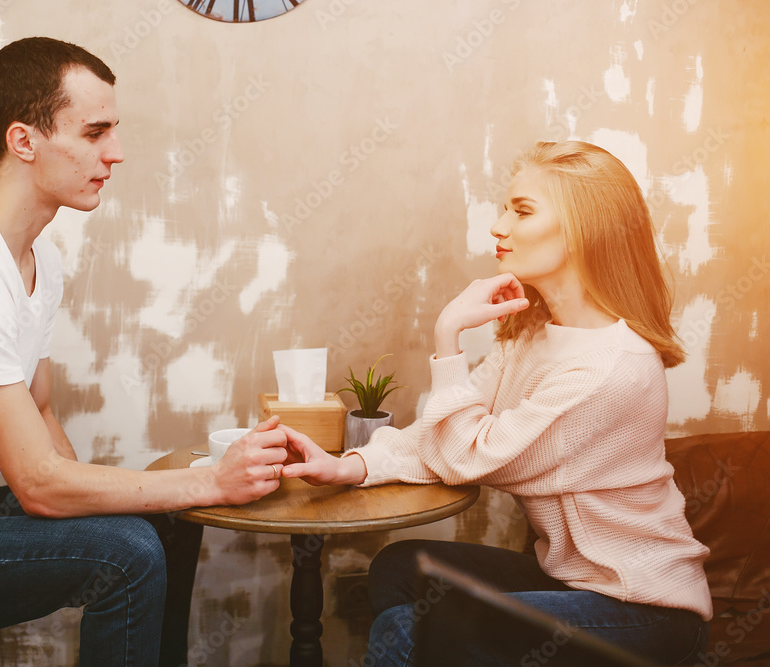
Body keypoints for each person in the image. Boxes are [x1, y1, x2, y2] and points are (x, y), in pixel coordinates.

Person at [0, 37, 291, 667]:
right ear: (24, 140)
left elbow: (40, 411)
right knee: (132, 552)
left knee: (169, 519)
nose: (116, 154)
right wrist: (210, 480)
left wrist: (117, 500)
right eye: (94, 133)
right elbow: (37, 484)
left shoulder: (41, 261)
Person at [280, 141, 712, 665]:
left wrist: (448, 336)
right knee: (400, 567)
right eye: (505, 207)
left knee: (406, 631)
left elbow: (467, 455)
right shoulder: (531, 334)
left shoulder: (613, 369)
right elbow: (445, 434)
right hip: (569, 578)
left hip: (642, 608)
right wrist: (352, 465)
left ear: (584, 229)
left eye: (522, 210)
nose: (499, 226)